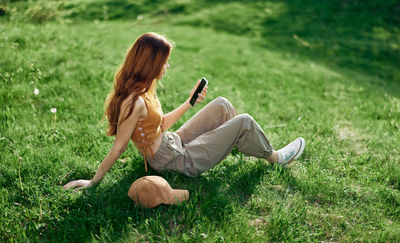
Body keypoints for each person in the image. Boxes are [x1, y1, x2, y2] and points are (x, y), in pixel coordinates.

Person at [63, 32, 305, 191]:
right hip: (173, 160)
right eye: (164, 62)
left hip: (171, 142)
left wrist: (190, 102)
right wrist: (93, 181)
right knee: (244, 122)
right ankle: (275, 158)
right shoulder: (133, 102)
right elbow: (119, 147)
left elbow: (160, 126)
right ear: (151, 64)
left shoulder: (144, 89)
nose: (167, 66)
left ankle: (242, 145)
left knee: (222, 104)